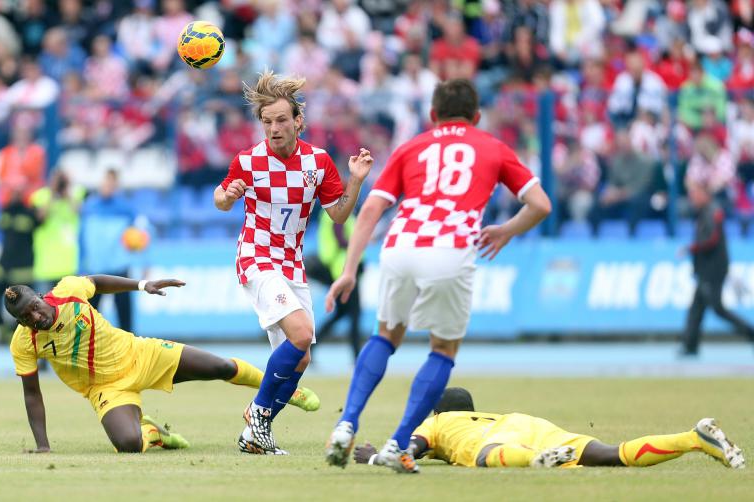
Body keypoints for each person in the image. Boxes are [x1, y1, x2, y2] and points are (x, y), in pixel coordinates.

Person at [324, 79, 552, 473]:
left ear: (432, 115)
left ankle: (347, 424)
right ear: (477, 116)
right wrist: (506, 230)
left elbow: (370, 212)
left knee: (385, 336)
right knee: (442, 350)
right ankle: (397, 444)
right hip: (449, 250)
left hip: (401, 245)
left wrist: (348, 271)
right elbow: (540, 204)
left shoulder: (411, 147)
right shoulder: (492, 147)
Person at [214, 70, 373, 454]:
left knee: (300, 357)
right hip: (256, 257)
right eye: (267, 122)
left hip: (291, 264)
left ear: (298, 121)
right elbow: (220, 199)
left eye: (282, 120)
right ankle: (258, 414)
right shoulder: (249, 161)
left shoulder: (317, 162)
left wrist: (355, 182)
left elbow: (337, 215)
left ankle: (256, 434)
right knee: (301, 335)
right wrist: (229, 194)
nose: (274, 128)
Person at [6, 274, 319, 454]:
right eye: (25, 318)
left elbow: (97, 282)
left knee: (221, 367)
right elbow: (32, 393)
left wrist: (142, 285)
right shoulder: (23, 343)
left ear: (40, 297)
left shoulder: (69, 291)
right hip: (105, 388)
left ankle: (286, 391)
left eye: (34, 307)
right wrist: (43, 446)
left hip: (142, 355)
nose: (35, 318)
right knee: (128, 445)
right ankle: (155, 433)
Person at [352, 388, 745, 470]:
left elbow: (410, 452)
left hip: (500, 442)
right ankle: (693, 438)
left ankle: (533, 461)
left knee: (486, 457)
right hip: (529, 423)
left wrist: (373, 458)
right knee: (610, 454)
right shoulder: (488, 414)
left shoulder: (438, 422)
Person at [680, 183, 754, 356]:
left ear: (706, 195)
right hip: (707, 268)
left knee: (717, 308)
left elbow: (711, 239)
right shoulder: (705, 212)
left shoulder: (713, 212)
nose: (692, 198)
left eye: (696, 194)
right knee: (697, 306)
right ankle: (690, 345)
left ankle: (751, 332)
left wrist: (692, 248)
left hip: (713, 269)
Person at [80, 169, 139, 333]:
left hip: (119, 269)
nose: (108, 187)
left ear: (116, 186)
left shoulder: (126, 209)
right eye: (106, 183)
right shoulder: (89, 207)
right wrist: (81, 264)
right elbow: (81, 237)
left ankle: (129, 351)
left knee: (125, 317)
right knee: (89, 317)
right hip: (95, 270)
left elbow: (141, 235)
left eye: (112, 184)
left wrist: (143, 259)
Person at [306, 211, 363, 361]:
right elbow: (340, 240)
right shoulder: (339, 212)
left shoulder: (329, 213)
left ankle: (312, 347)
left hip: (338, 268)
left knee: (342, 313)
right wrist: (359, 242)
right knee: (355, 314)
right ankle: (357, 357)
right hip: (344, 269)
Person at [0, 180, 40, 343]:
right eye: (14, 191)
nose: (16, 194)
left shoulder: (30, 213)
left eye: (20, 191)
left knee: (22, 307)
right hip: (4, 267)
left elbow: (42, 219)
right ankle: (4, 331)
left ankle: (16, 334)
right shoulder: (5, 211)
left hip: (22, 270)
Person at [30, 169, 85, 292]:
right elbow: (39, 217)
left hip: (69, 266)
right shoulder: (41, 195)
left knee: (68, 310)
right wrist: (53, 194)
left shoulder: (75, 195)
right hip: (45, 267)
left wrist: (67, 193)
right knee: (43, 309)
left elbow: (80, 211)